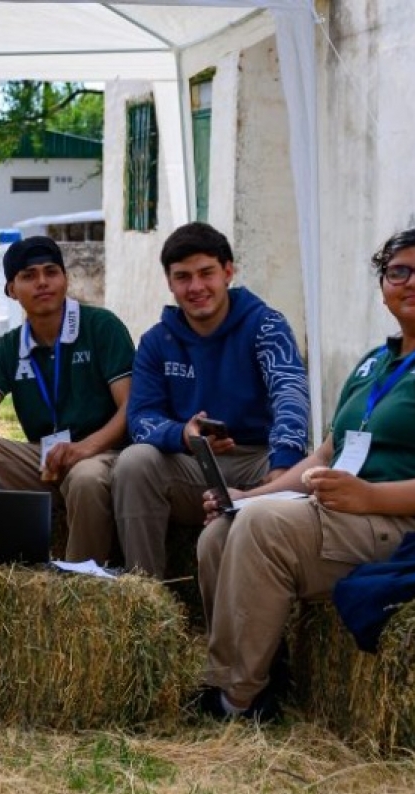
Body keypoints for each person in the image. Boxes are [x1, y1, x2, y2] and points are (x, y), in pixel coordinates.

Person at [194, 221, 415, 721]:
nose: (412, 282)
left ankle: (235, 700)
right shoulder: (377, 362)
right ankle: (263, 672)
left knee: (263, 530)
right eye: (398, 272)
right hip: (357, 516)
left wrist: (371, 498)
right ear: (383, 288)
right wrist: (248, 496)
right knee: (224, 530)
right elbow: (325, 456)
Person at [111, 222, 310, 579]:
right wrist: (183, 435)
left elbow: (290, 393)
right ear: (170, 283)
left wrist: (283, 466)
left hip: (259, 459)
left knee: (308, 475)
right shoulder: (156, 341)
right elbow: (140, 418)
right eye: (183, 277)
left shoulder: (266, 325)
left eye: (206, 273)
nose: (196, 287)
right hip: (194, 465)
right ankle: (144, 594)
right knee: (134, 461)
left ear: (228, 272)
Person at [0, 236, 135, 564]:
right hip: (46, 460)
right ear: (11, 290)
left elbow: (131, 407)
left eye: (51, 272)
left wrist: (84, 448)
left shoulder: (101, 326)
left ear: (65, 279)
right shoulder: (8, 348)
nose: (42, 282)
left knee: (85, 479)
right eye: (29, 276)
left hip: (102, 453)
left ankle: (81, 582)